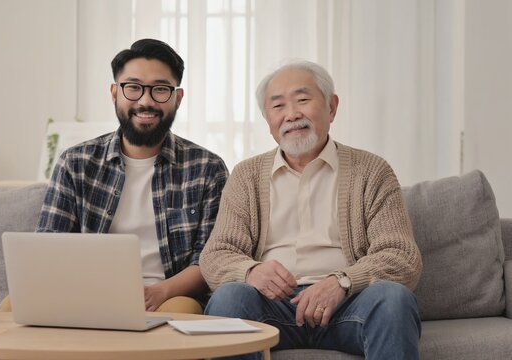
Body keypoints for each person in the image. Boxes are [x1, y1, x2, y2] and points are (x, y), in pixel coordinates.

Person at [199, 60, 423, 359]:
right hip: (271, 308)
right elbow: (215, 256)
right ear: (268, 122)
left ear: (331, 107)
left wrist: (342, 282)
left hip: (348, 305)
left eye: (303, 100)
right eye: (278, 106)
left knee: (393, 298)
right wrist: (251, 271)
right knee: (229, 298)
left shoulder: (372, 171)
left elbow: (402, 256)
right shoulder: (247, 176)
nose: (291, 115)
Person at [24, 39, 228, 314]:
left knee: (182, 314)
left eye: (160, 89)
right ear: (114, 93)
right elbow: (47, 249)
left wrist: (160, 292)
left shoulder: (207, 168)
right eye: (133, 87)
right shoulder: (76, 163)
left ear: (177, 98)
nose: (145, 101)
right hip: (84, 292)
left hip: (169, 296)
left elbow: (210, 258)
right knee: (9, 307)